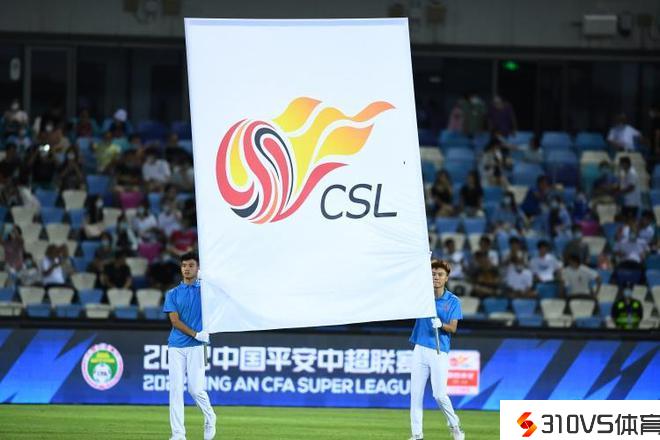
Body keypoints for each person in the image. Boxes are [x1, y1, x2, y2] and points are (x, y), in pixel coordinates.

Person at [408, 259, 464, 440]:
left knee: (439, 395)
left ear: (446, 278)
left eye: (440, 274)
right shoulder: (421, 296)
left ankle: (455, 425)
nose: (436, 277)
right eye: (433, 274)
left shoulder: (453, 301)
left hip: (439, 351)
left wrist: (441, 325)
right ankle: (417, 434)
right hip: (420, 348)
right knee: (416, 395)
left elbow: (453, 328)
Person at [163, 252, 216, 440]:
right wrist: (195, 333)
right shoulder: (172, 293)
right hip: (176, 345)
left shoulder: (206, 291)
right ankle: (178, 434)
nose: (187, 268)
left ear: (198, 268)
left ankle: (210, 417)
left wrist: (205, 277)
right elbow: (175, 321)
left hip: (198, 346)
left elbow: (221, 289)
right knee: (176, 390)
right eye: (184, 265)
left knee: (195, 389)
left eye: (191, 265)